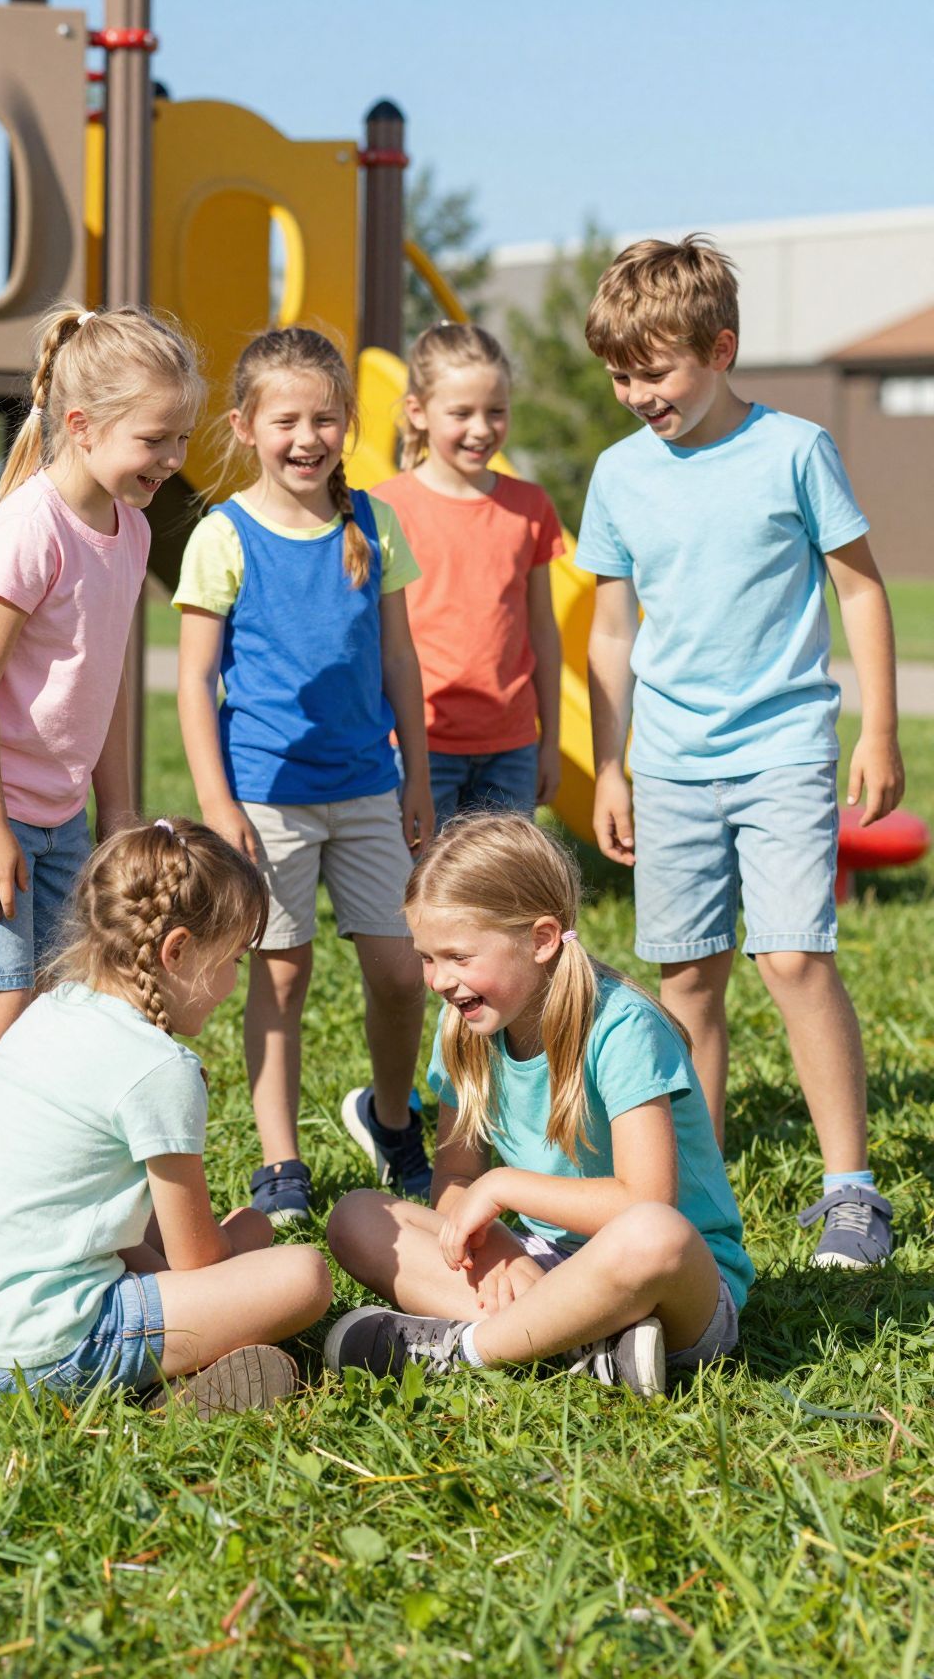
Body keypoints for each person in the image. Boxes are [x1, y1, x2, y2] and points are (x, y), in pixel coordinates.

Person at [575, 236, 903, 1268]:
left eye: (656, 370)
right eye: (621, 373)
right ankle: (699, 1195)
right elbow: (612, 631)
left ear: (721, 348)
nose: (638, 393)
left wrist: (881, 728)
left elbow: (859, 586)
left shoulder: (796, 449)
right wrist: (613, 761)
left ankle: (850, 1188)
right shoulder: (618, 474)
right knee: (689, 979)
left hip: (783, 748)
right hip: (668, 760)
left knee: (794, 955)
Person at [0, 302, 204, 1243]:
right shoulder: (26, 530)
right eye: (154, 438)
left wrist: (119, 809)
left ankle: (26, 1193)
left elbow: (111, 677)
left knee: (58, 1008)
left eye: (180, 438)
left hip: (60, 810)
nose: (169, 459)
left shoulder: (133, 530)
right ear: (81, 425)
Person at [0, 818, 333, 1413]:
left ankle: (178, 1367)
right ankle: (168, 1381)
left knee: (217, 1242)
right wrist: (248, 1233)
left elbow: (97, 1211)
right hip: (37, 1351)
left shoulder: (52, 1007)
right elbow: (198, 1261)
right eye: (234, 959)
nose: (234, 982)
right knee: (301, 1274)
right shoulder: (159, 1068)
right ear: (178, 950)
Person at [325, 813, 751, 1397]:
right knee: (358, 1218)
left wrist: (502, 1190)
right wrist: (492, 1240)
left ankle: (467, 1349)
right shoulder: (462, 1029)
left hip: (675, 1283)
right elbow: (453, 1176)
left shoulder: (623, 1027)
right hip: (546, 1260)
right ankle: (588, 1347)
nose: (440, 980)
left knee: (657, 1233)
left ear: (542, 939)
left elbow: (647, 1202)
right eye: (427, 958)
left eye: (459, 956)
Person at [174, 327, 434, 1226]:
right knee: (279, 978)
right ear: (246, 425)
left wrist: (418, 779)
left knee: (403, 973)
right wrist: (218, 805)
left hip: (369, 788)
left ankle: (393, 1120)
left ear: (347, 425)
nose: (307, 437)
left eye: (326, 418)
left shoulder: (377, 523)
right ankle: (280, 1161)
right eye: (286, 419)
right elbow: (193, 682)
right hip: (263, 800)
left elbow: (401, 659)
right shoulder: (222, 535)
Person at [374, 321, 564, 829]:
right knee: (424, 893)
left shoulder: (531, 506)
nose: (481, 429)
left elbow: (542, 629)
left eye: (496, 412)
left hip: (513, 748)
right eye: (461, 413)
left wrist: (552, 742)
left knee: (501, 899)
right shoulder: (385, 509)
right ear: (417, 412)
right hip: (415, 747)